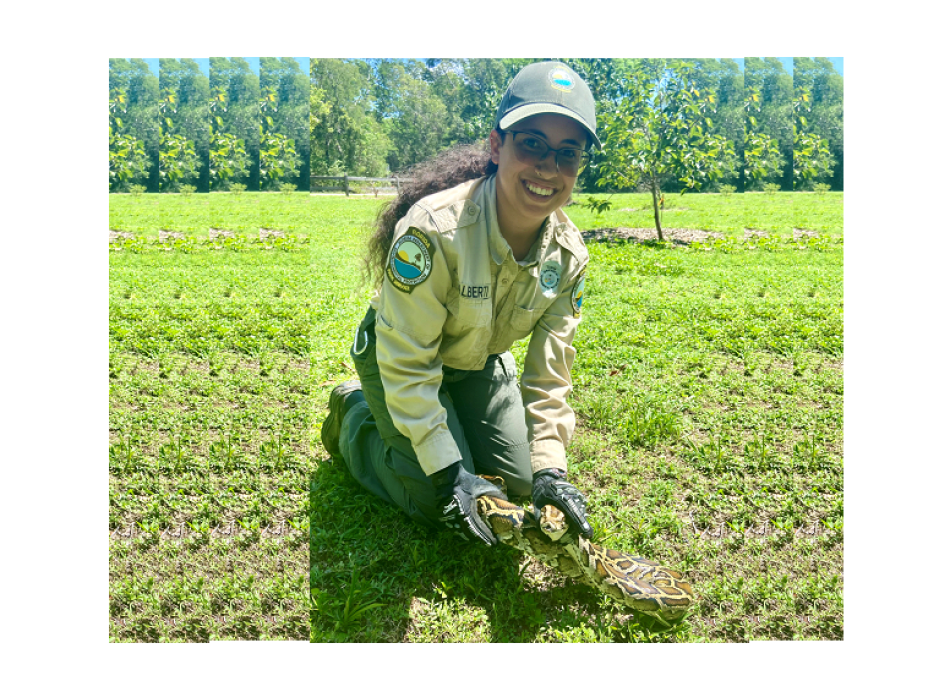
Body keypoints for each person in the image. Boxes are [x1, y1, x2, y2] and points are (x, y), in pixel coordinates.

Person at [321, 61, 599, 547]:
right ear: (497, 145)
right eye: (531, 143)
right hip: (399, 360)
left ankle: (447, 433)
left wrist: (550, 469)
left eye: (567, 154)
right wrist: (447, 472)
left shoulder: (568, 255)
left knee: (518, 486)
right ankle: (357, 418)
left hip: (476, 363)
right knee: (440, 499)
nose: (548, 169)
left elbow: (549, 376)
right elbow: (407, 358)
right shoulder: (434, 229)